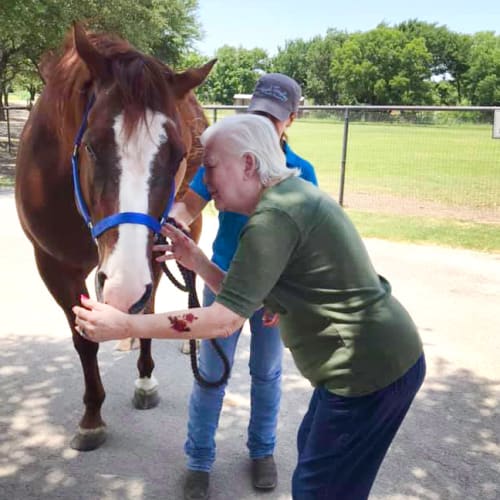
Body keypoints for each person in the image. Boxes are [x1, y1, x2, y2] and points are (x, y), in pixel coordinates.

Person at [73, 113, 426, 500]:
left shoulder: (273, 218)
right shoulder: (287, 198)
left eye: (209, 167)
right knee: (316, 461)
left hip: (367, 372)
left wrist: (125, 326)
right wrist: (200, 264)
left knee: (318, 489)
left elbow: (225, 320)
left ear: (248, 164)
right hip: (372, 365)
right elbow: (247, 296)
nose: (203, 182)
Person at [168, 73, 317, 499]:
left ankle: (262, 450)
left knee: (267, 373)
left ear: (291, 119)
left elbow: (305, 240)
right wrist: (175, 221)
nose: (265, 126)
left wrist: (288, 293)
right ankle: (198, 459)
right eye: (258, 116)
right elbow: (190, 201)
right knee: (212, 374)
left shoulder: (301, 172)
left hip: (274, 290)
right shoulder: (227, 161)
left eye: (275, 118)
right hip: (224, 281)